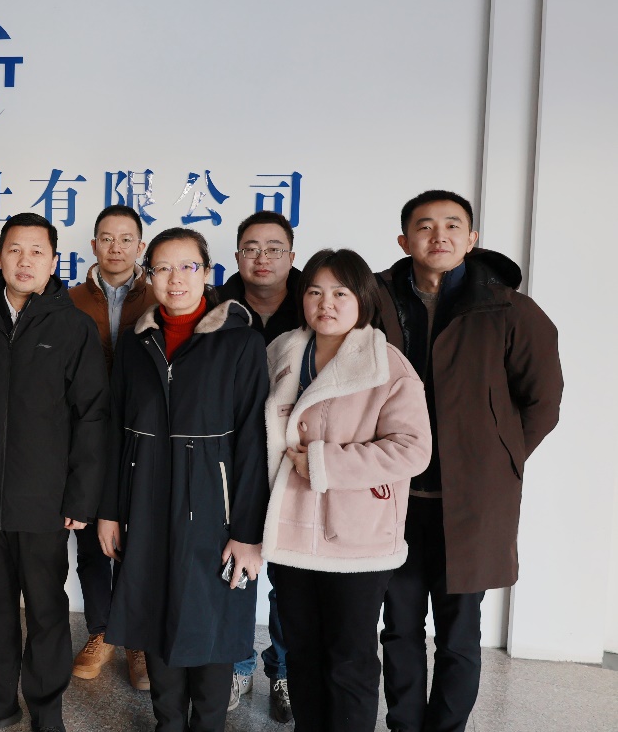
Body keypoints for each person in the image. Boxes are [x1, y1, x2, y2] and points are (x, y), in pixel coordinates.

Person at [375, 191, 563, 732]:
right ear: (404, 240)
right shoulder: (378, 301)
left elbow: (543, 401)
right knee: (399, 627)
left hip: (470, 505)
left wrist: (498, 459)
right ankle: (405, 725)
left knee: (459, 633)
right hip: (393, 499)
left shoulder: (509, 310)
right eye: (425, 226)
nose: (439, 236)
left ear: (471, 238)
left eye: (453, 225)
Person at [0, 213, 109, 732]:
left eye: (36, 251)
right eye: (14, 250)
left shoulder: (73, 327)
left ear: (54, 262)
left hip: (44, 500)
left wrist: (82, 497)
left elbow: (92, 417)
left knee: (48, 610)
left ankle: (47, 710)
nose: (24, 261)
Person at [97, 227, 269, 732]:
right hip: (145, 502)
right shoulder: (137, 342)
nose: (176, 279)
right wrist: (109, 511)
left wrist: (247, 532)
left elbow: (254, 442)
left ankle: (208, 724)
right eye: (163, 268)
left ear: (208, 273)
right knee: (154, 615)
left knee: (211, 620)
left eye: (188, 266)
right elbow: (114, 430)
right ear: (148, 276)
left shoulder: (240, 341)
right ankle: (167, 723)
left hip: (214, 508)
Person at [261, 248, 431, 732]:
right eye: (315, 292)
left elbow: (412, 450)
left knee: (349, 658)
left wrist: (321, 462)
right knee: (302, 653)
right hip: (291, 532)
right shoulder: (283, 352)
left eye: (340, 293)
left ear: (363, 299)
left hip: (356, 537)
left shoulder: (387, 365)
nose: (326, 304)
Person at [215, 210, 300, 719]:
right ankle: (237, 664)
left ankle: (284, 670)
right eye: (251, 248)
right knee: (234, 567)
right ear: (237, 256)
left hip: (295, 462)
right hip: (232, 460)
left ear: (291, 255)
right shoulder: (215, 310)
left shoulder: (315, 304)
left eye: (273, 248)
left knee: (289, 577)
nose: (261, 257)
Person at [66, 204, 153, 690]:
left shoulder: (161, 295)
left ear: (140, 246)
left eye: (125, 239)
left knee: (140, 541)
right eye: (106, 238)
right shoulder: (69, 300)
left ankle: (135, 638)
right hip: (88, 436)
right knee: (91, 541)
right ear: (94, 245)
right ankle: (100, 631)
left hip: (144, 437)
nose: (115, 247)